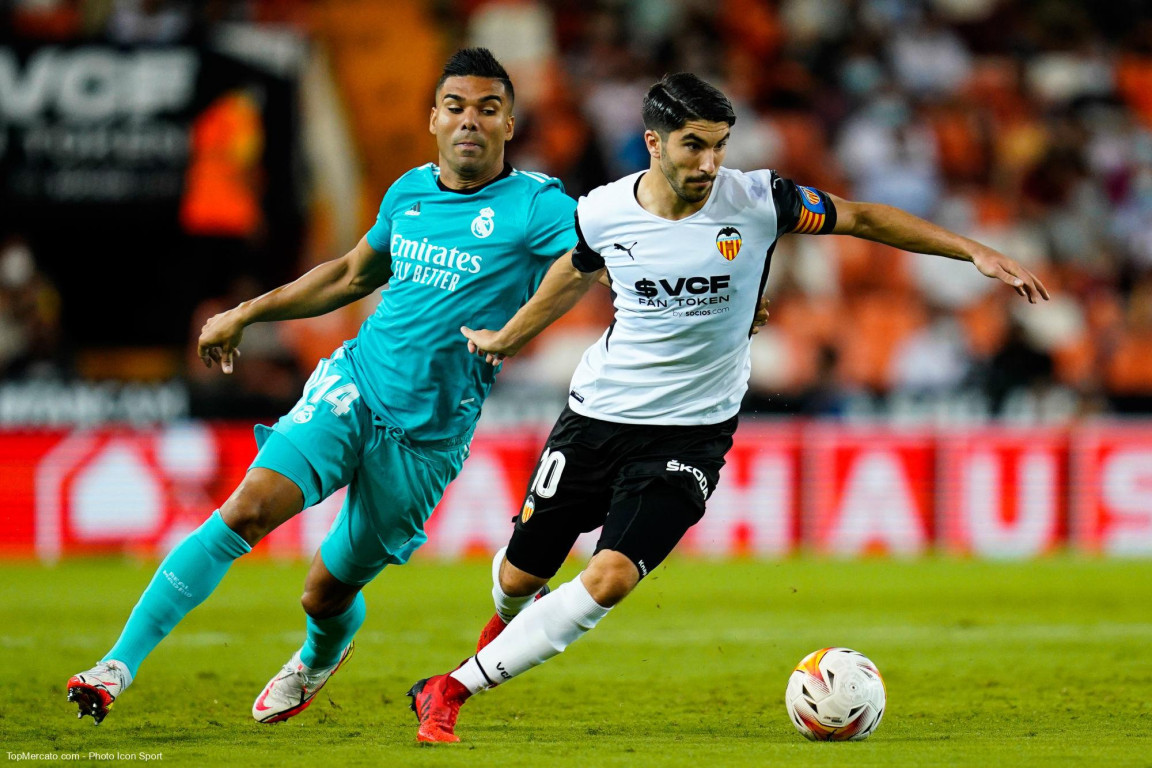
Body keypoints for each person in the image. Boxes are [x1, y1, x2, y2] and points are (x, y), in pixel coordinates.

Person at [408, 72, 1049, 743]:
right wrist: (510, 336)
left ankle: (449, 689)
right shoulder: (603, 210)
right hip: (597, 416)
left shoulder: (761, 199)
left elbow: (861, 217)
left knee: (611, 577)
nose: (710, 163)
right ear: (653, 143)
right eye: (694, 146)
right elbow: (576, 269)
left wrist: (972, 250)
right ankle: (509, 621)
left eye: (719, 146)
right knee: (519, 576)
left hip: (691, 434)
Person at [66, 47, 577, 726]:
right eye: (455, 107)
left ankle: (316, 655)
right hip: (354, 386)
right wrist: (248, 312)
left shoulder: (537, 205)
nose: (470, 121)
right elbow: (349, 275)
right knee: (247, 510)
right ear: (432, 118)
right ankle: (115, 666)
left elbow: (593, 258)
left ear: (510, 124)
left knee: (325, 594)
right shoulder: (408, 192)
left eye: (488, 109)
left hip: (426, 441)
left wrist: (515, 331)